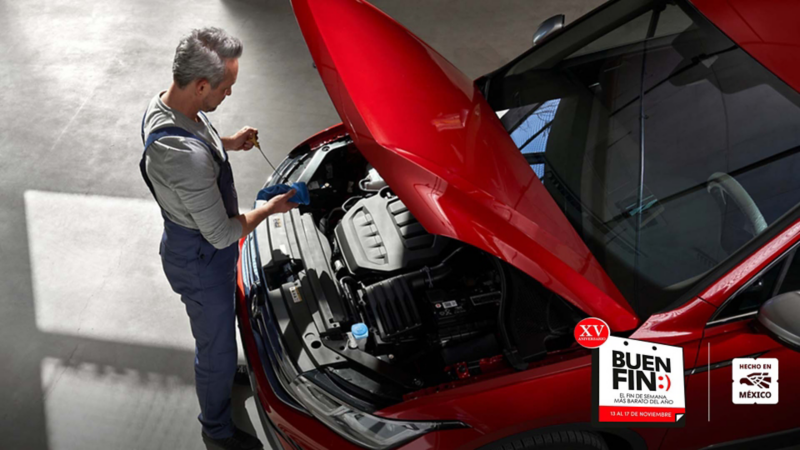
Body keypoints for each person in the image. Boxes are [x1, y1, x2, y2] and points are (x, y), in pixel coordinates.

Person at [139, 27, 297, 450]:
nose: (229, 95)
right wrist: (270, 210)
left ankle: (223, 371)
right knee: (216, 349)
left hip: (200, 252)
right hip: (201, 257)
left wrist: (228, 143)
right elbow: (223, 232)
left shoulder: (168, 105)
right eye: (226, 88)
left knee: (221, 334)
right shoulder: (185, 158)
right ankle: (217, 430)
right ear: (202, 84)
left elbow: (197, 146)